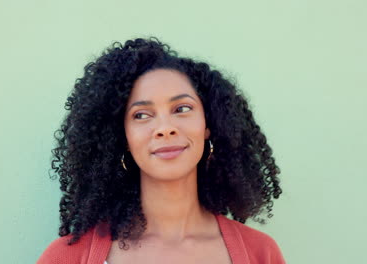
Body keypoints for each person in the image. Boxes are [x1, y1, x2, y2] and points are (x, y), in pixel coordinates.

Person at [37, 37, 285, 264]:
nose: (165, 129)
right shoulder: (67, 257)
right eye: (141, 115)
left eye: (182, 109)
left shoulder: (260, 253)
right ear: (122, 137)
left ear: (208, 124)